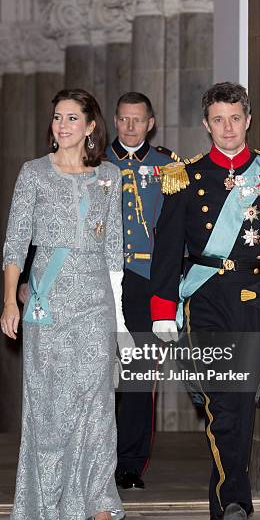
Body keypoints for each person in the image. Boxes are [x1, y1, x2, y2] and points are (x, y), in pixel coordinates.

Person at [150, 82, 260, 520]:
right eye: (218, 120)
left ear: (248, 120)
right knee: (223, 403)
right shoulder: (186, 176)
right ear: (206, 124)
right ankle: (235, 502)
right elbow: (166, 249)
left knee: (242, 403)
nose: (228, 128)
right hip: (205, 301)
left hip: (255, 298)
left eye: (235, 118)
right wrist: (164, 308)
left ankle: (225, 497)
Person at [1, 88, 134, 520]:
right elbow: (16, 242)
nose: (63, 125)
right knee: (50, 402)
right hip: (47, 300)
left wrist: (119, 322)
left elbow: (115, 248)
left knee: (97, 401)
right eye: (58, 117)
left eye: (73, 118)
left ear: (91, 126)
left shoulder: (110, 176)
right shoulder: (33, 173)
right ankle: (46, 503)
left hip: (96, 300)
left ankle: (99, 502)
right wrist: (8, 301)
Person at [106, 92, 177, 489]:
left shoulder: (168, 167)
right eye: (123, 119)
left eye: (138, 120)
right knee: (96, 371)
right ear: (114, 121)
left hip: (146, 279)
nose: (130, 127)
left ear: (151, 123)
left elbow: (175, 230)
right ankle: (92, 456)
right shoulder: (96, 164)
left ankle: (129, 463)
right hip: (101, 276)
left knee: (137, 372)